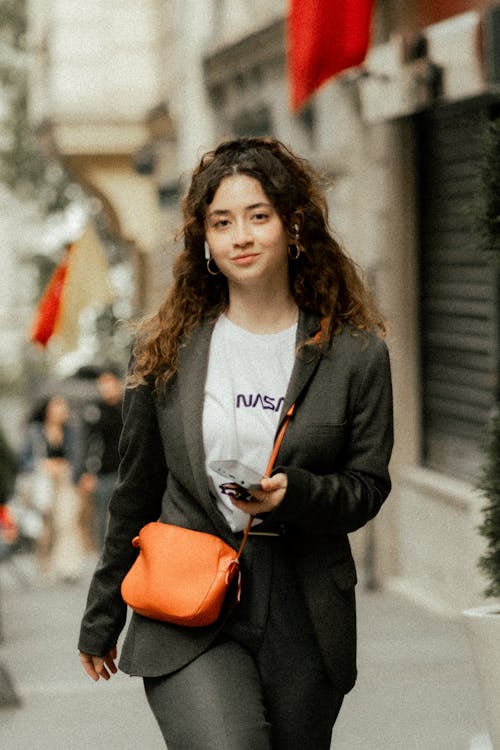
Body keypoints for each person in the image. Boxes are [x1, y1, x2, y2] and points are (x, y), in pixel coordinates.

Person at [78, 136, 393, 750]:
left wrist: (291, 494)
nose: (240, 237)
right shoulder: (166, 350)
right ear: (205, 240)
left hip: (304, 609)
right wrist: (102, 616)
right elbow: (137, 490)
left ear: (292, 225)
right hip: (186, 607)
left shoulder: (355, 354)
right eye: (222, 222)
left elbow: (367, 487)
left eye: (258, 217)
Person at [19, 395, 84, 581]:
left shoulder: (73, 430)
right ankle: (45, 565)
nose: (62, 409)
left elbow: (79, 457)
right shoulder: (35, 432)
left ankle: (68, 567)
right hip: (43, 482)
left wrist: (68, 469)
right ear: (47, 409)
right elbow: (23, 460)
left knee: (67, 522)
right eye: (57, 405)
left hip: (66, 481)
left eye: (64, 405)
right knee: (45, 526)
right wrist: (43, 465)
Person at [79, 366, 123, 550]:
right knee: (102, 518)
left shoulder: (130, 407)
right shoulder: (96, 411)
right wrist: (88, 472)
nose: (105, 387)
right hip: (104, 474)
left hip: (128, 471)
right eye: (102, 384)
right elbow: (90, 444)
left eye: (109, 382)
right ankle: (103, 556)